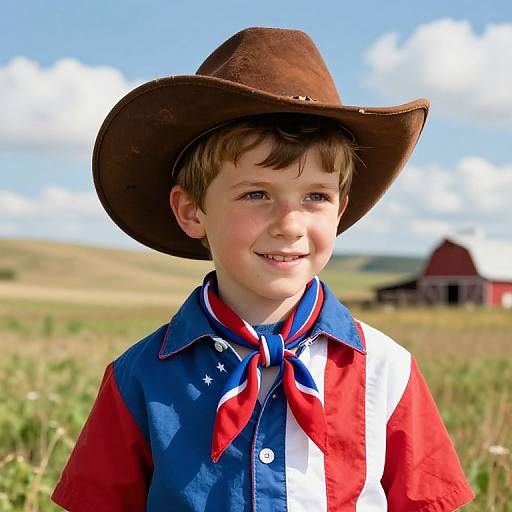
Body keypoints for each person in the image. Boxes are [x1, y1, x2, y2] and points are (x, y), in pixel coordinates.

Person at [52, 27, 474, 511]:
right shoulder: (139, 378)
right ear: (192, 212)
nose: (290, 224)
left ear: (340, 210)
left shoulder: (385, 369)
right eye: (256, 194)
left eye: (316, 196)